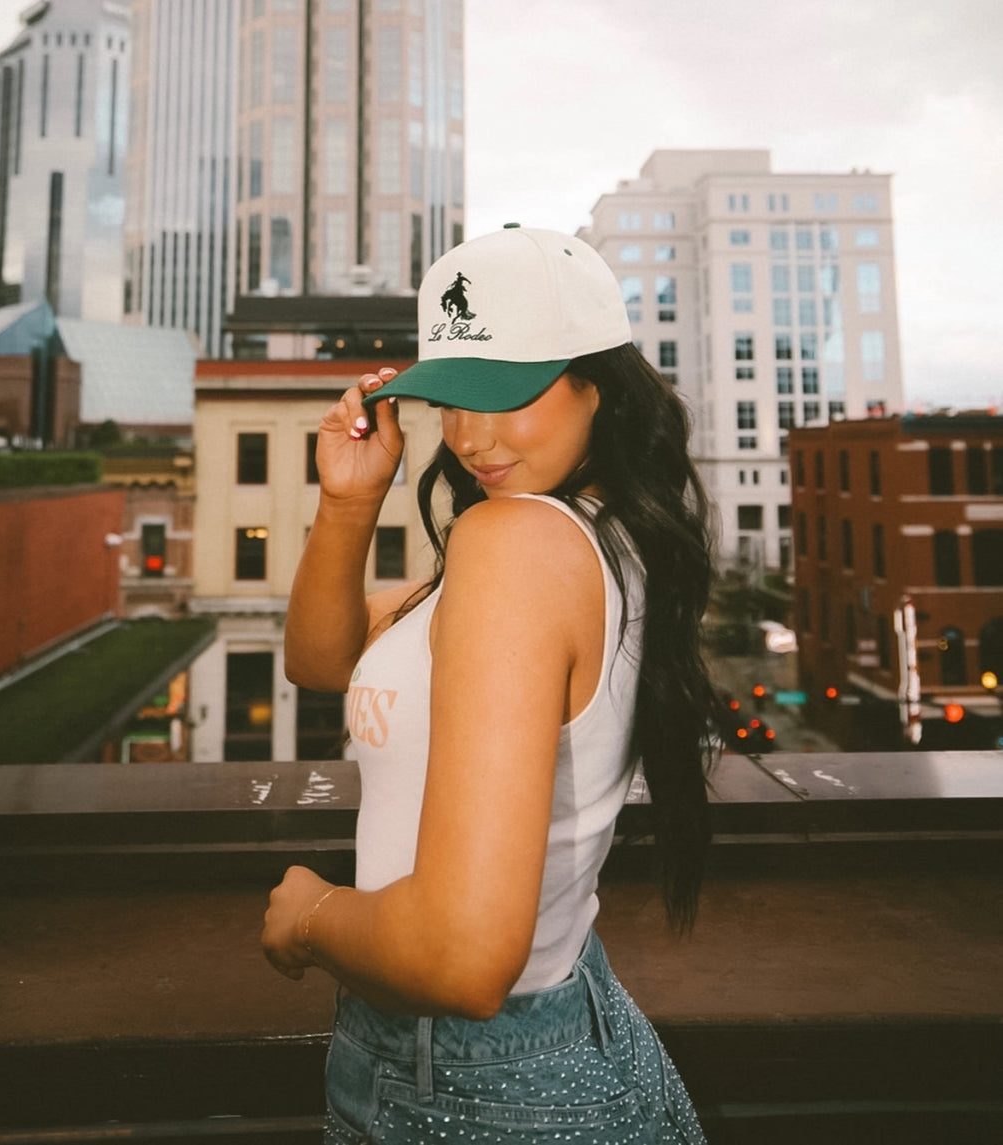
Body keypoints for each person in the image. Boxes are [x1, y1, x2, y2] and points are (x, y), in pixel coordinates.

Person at [262, 224, 717, 1143]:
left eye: (508, 393)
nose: (470, 436)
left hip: (468, 1079)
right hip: (553, 1032)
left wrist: (311, 917)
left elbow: (462, 958)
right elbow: (321, 659)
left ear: (601, 385)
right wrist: (350, 500)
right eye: (454, 399)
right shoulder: (592, 536)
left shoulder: (518, 544)